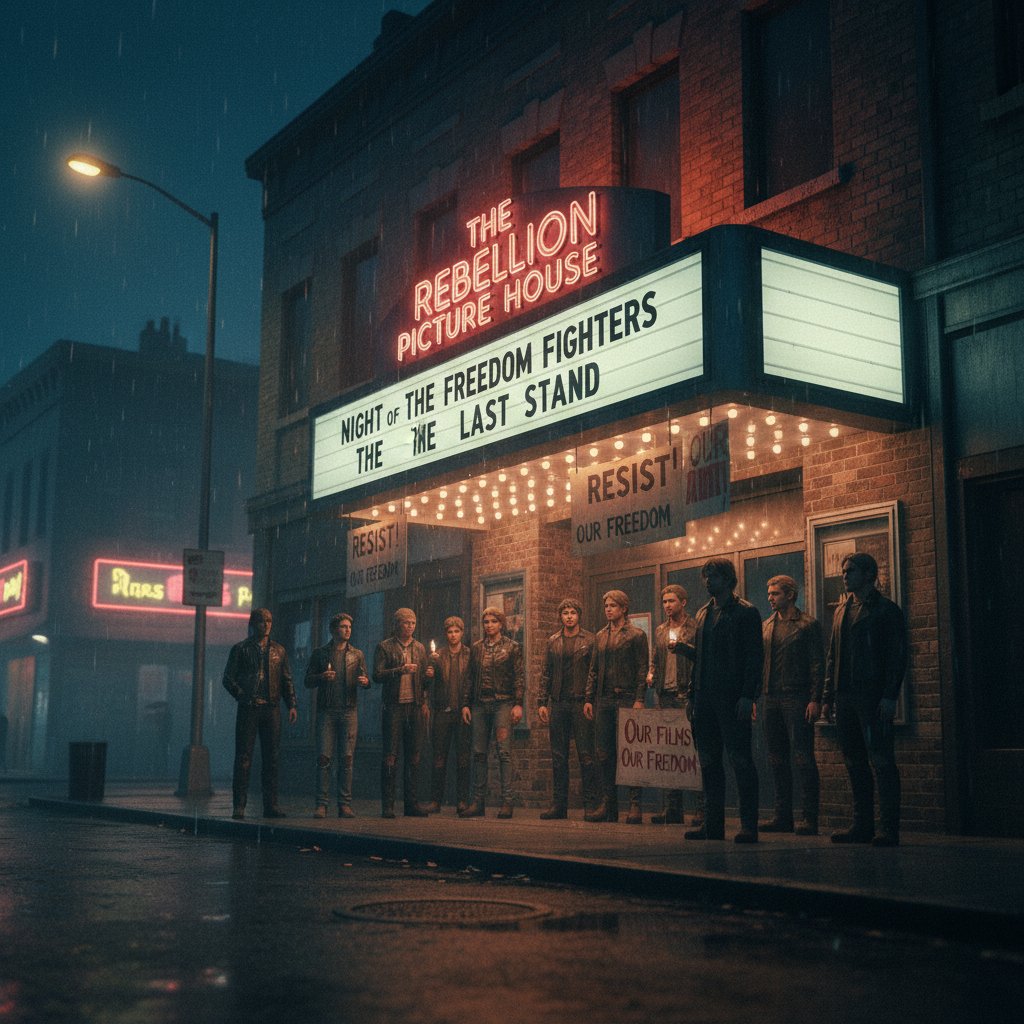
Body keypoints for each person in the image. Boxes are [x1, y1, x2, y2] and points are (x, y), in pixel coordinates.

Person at [822, 552, 908, 847]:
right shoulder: (841, 611)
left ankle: (888, 828)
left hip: (871, 695)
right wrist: (827, 697)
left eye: (851, 571)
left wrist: (889, 695)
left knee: (882, 760)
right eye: (844, 571)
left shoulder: (886, 611)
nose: (845, 575)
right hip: (846, 695)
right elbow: (833, 656)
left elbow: (897, 657)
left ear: (869, 574)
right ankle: (862, 824)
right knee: (854, 761)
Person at [680, 559, 763, 843]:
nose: (707, 582)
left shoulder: (746, 612)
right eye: (705, 577)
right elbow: (700, 660)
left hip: (731, 697)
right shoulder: (703, 613)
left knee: (740, 760)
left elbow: (754, 658)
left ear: (728, 579)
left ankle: (748, 825)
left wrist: (747, 695)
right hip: (705, 699)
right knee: (709, 761)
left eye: (713, 576)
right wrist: (692, 695)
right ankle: (712, 825)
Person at [760, 575, 825, 836]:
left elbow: (817, 664)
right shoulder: (766, 626)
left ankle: (809, 817)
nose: (770, 597)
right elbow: (760, 663)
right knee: (776, 759)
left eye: (775, 593)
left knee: (802, 757)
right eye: (769, 592)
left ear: (790, 594)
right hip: (771, 697)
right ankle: (782, 815)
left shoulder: (807, 625)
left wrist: (816, 698)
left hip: (796, 697)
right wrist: (758, 696)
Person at [222, 607, 297, 820]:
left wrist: (291, 704)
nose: (266, 625)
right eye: (262, 621)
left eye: (269, 621)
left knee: (271, 758)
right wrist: (242, 695)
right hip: (249, 707)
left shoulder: (279, 651)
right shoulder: (241, 649)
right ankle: (239, 805)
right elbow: (228, 678)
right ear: (253, 624)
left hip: (271, 708)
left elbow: (286, 680)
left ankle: (270, 805)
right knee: (244, 757)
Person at [583, 590, 648, 824]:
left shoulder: (636, 635)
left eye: (613, 605)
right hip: (604, 700)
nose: (608, 609)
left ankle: (634, 805)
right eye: (606, 606)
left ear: (623, 608)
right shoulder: (600, 636)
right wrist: (589, 698)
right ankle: (608, 805)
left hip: (627, 697)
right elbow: (593, 669)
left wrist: (640, 698)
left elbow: (642, 669)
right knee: (603, 753)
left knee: (629, 753)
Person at [460, 606, 524, 819]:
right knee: (479, 753)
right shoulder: (476, 648)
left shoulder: (512, 647)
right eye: (486, 622)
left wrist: (518, 703)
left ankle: (507, 802)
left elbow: (519, 677)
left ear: (501, 624)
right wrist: (466, 704)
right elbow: (469, 678)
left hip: (503, 704)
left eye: (493, 621)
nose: (489, 625)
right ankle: (478, 802)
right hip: (479, 705)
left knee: (504, 753)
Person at [537, 598, 597, 820]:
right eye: (565, 613)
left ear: (578, 615)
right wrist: (542, 702)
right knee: (558, 756)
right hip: (559, 702)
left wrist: (590, 699)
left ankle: (591, 804)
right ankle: (559, 805)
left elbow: (593, 673)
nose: (569, 616)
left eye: (573, 612)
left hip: (581, 702)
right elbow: (546, 673)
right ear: (560, 616)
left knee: (586, 754)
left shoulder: (590, 640)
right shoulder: (553, 641)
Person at [304, 612, 369, 819]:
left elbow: (366, 679)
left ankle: (344, 804)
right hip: (327, 711)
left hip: (349, 711)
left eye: (349, 626)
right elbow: (307, 680)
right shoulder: (321, 653)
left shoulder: (357, 654)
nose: (347, 630)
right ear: (333, 630)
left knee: (347, 759)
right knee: (324, 758)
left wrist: (364, 682)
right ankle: (322, 804)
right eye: (343, 626)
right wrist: (322, 677)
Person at [646, 584, 698, 825]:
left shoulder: (695, 627)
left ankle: (700, 808)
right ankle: (673, 808)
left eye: (671, 601)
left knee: (692, 752)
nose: (667, 606)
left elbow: (699, 658)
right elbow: (655, 659)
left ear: (683, 602)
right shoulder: (660, 630)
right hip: (664, 694)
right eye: (664, 601)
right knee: (669, 753)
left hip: (685, 694)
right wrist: (651, 673)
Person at [372, 608, 431, 819]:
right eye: (406, 623)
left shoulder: (420, 648)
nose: (410, 627)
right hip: (393, 707)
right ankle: (388, 805)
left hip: (414, 706)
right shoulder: (385, 647)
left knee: (414, 755)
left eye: (413, 623)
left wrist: (429, 677)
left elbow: (424, 680)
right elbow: (377, 675)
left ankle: (411, 804)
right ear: (397, 624)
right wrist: (399, 670)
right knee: (390, 755)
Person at [424, 615, 472, 814]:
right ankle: (436, 800)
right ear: (446, 634)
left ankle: (462, 800)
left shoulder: (470, 654)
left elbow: (471, 682)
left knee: (462, 757)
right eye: (450, 632)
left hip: (462, 712)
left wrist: (467, 704)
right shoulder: (438, 656)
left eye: (456, 631)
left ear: (462, 633)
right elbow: (427, 685)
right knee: (439, 757)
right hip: (442, 712)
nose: (453, 635)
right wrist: (429, 675)